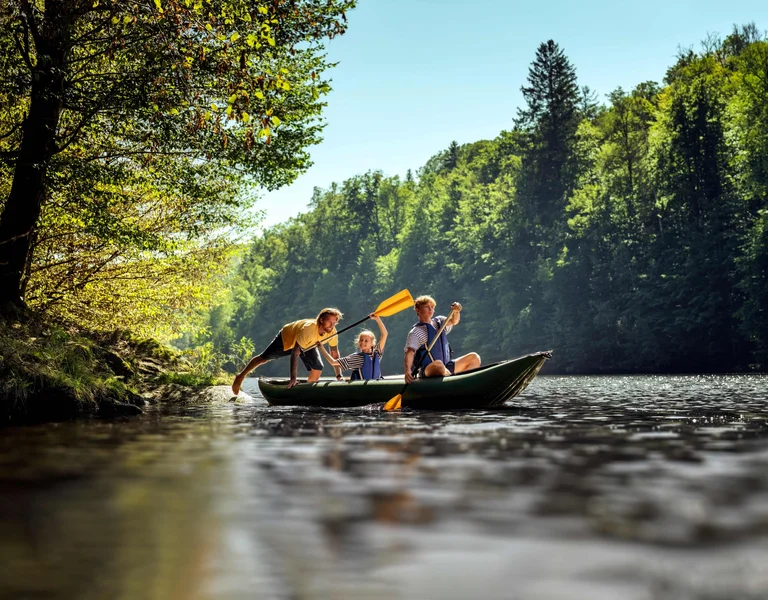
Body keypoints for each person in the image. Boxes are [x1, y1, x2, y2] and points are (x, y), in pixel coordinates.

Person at [232, 308, 344, 394]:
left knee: (318, 366)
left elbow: (334, 354)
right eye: (330, 322)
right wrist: (293, 379)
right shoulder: (309, 329)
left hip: (308, 343)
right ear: (321, 320)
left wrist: (338, 374)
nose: (332, 326)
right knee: (263, 359)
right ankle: (240, 376)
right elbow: (295, 353)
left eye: (335, 323)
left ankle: (307, 391)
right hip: (287, 337)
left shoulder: (332, 332)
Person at [403, 295, 480, 383]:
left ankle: (465, 383)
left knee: (474, 357)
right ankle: (453, 379)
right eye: (427, 307)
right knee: (438, 365)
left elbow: (454, 321)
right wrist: (408, 370)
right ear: (417, 309)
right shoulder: (415, 332)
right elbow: (410, 353)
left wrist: (456, 311)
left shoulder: (439, 321)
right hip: (429, 370)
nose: (431, 309)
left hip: (446, 366)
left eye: (432, 307)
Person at [316, 313, 388, 380]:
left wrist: (377, 319)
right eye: (361, 340)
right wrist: (321, 348)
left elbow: (384, 334)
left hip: (374, 386)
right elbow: (333, 362)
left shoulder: (377, 354)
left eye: (366, 341)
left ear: (372, 343)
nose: (362, 342)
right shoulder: (355, 357)